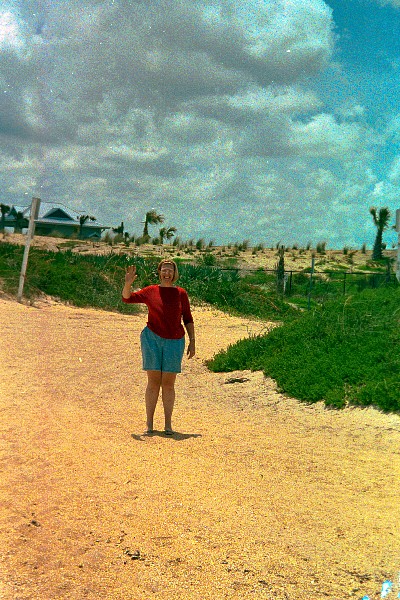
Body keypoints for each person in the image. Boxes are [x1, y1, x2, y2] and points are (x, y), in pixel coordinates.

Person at [122, 259, 195, 435]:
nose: (167, 273)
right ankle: (149, 424)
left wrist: (193, 341)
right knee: (153, 382)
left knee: (168, 384)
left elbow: (187, 318)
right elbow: (127, 298)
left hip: (175, 341)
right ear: (159, 272)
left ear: (175, 273)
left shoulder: (181, 293)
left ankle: (168, 425)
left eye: (170, 270)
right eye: (164, 269)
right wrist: (128, 284)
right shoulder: (151, 290)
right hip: (152, 338)